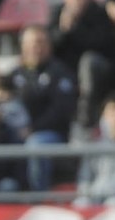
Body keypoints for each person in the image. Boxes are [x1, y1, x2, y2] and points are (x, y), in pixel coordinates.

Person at [6, 24, 79, 193]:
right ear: (23, 47)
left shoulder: (60, 72)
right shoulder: (15, 74)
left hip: (53, 135)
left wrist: (33, 129)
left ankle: (37, 196)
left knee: (36, 144)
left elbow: (61, 111)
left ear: (49, 46)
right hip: (19, 132)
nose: (35, 48)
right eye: (31, 44)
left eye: (40, 43)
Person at [52, 0, 115, 125]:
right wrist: (63, 30)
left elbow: (101, 45)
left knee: (88, 62)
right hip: (67, 69)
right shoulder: (57, 13)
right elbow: (51, 47)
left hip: (97, 67)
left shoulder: (99, 13)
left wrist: (75, 28)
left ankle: (86, 112)